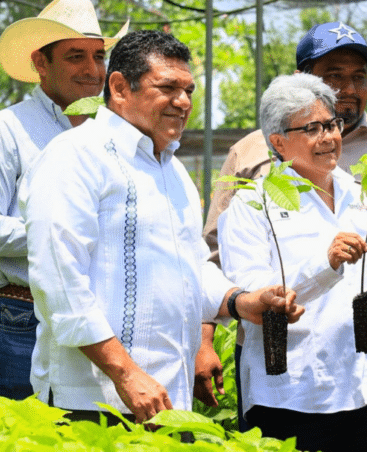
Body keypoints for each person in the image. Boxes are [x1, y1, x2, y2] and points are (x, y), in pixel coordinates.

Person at [18, 30, 304, 425]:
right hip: (93, 398)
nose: (183, 102)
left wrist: (242, 302)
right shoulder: (74, 156)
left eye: (188, 89)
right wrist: (126, 373)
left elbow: (193, 265)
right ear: (119, 88)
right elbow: (59, 279)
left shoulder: (174, 171)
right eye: (167, 87)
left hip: (167, 398)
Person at [197, 20, 367, 423]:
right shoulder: (250, 160)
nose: (348, 88)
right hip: (284, 366)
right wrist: (204, 339)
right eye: (334, 75)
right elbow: (217, 261)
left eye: (358, 77)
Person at [217, 72, 367, 451]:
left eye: (332, 124)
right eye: (312, 128)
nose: (329, 137)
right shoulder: (252, 205)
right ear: (278, 142)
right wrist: (323, 264)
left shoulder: (365, 201)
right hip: (289, 396)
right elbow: (254, 294)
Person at [0, 0, 128, 400]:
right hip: (26, 316)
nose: (91, 70)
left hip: (106, 317)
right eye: (74, 56)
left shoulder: (115, 134)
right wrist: (61, 234)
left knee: (101, 436)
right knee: (31, 435)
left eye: (98, 56)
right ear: (40, 63)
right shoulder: (3, 131)